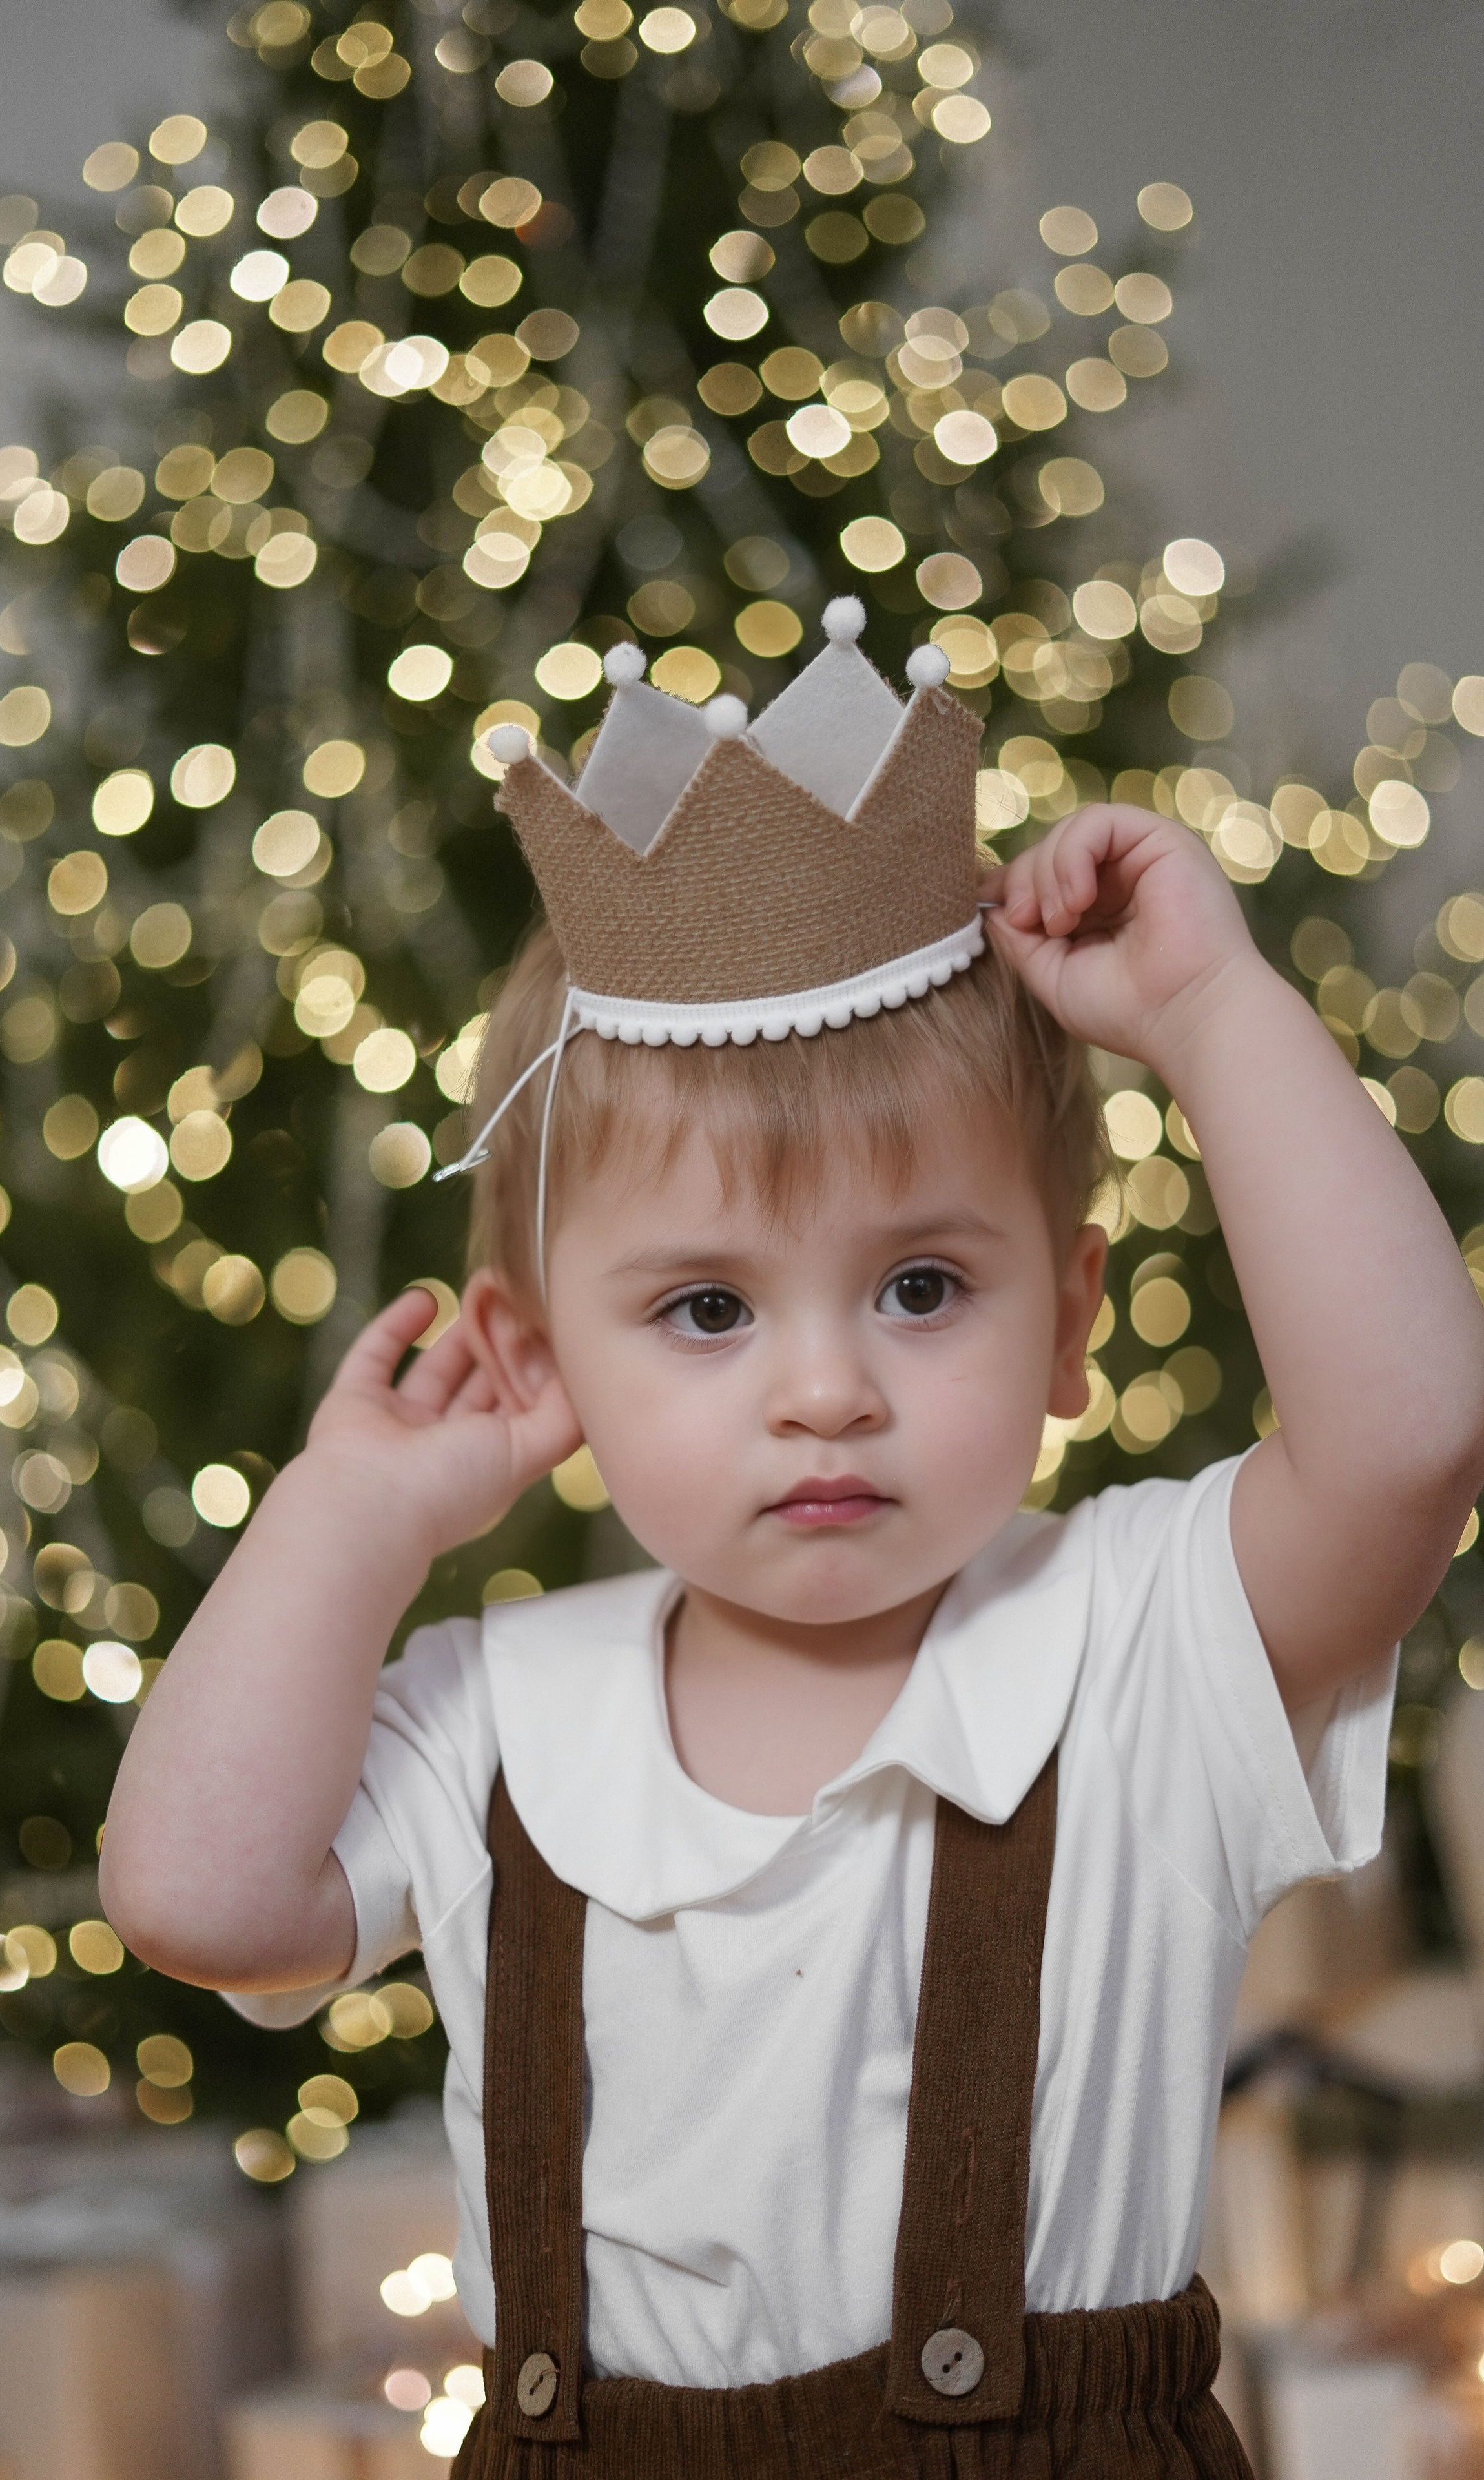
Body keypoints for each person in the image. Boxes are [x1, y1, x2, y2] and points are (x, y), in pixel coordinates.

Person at [102, 607, 1484, 2476]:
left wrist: (1210, 1014)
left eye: (922, 1286)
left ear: (1070, 1322)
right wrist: (357, 1509)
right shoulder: (510, 1710)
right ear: (536, 1353)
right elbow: (190, 1894)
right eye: (705, 1311)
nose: (825, 1390)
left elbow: (1411, 1439)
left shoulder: (1147, 1644)